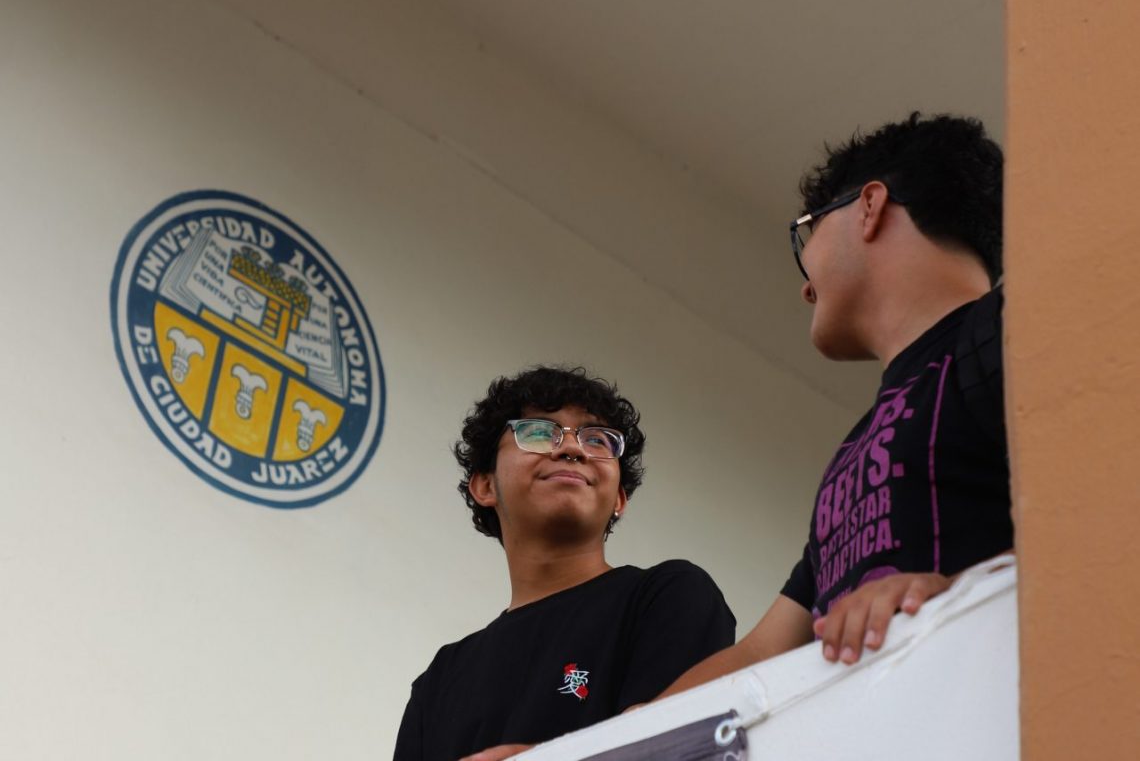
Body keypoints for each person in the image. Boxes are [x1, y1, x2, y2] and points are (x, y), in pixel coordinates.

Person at [662, 112, 1012, 696]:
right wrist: (588, 741)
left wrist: (963, 594)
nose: (805, 286)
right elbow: (760, 653)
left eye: (809, 234)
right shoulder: (854, 449)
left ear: (869, 206)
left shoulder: (1010, 332)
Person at [394, 365, 735, 761]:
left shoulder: (668, 597)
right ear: (485, 485)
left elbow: (675, 749)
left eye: (597, 439)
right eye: (539, 432)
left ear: (619, 499)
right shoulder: (440, 680)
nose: (572, 449)